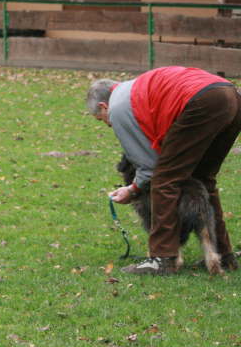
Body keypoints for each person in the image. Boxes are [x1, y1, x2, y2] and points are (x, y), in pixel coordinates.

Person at [86, 66, 241, 275]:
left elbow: (150, 167)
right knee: (202, 179)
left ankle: (163, 259)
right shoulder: (136, 89)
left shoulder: (118, 108)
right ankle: (222, 256)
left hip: (202, 101)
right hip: (231, 96)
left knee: (164, 179)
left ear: (104, 106)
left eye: (101, 119)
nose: (108, 125)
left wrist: (132, 190)